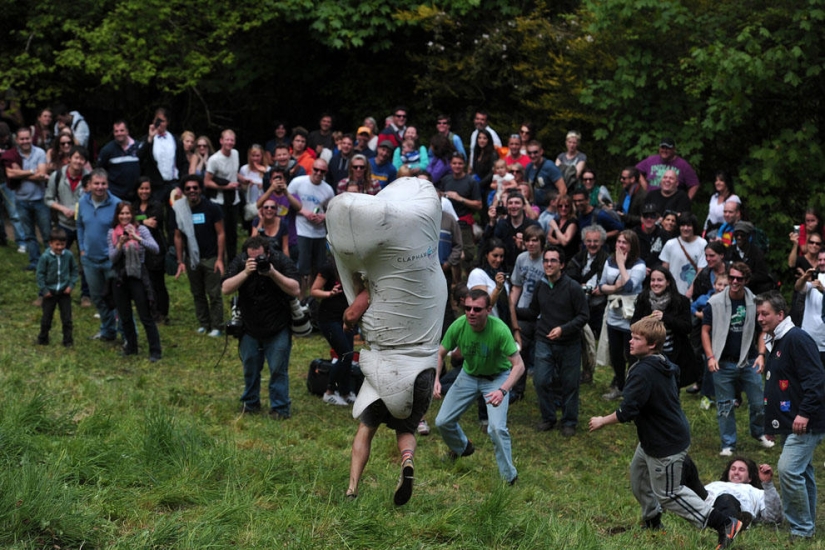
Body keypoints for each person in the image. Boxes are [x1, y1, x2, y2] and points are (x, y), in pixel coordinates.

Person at [326, 177, 447, 505]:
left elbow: (351, 316)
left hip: (386, 367)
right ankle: (407, 462)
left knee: (367, 428)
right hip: (422, 368)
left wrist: (352, 307)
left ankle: (352, 489)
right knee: (405, 426)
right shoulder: (431, 281)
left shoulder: (380, 283)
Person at [589, 317, 744, 547]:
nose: (630, 341)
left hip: (665, 443)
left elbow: (627, 411)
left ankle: (724, 523)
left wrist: (602, 420)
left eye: (636, 338)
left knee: (670, 494)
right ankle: (652, 520)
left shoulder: (643, 372)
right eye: (631, 336)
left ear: (651, 345)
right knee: (638, 476)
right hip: (654, 438)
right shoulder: (661, 360)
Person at [435, 289, 525, 485]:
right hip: (468, 375)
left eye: (477, 309)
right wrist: (435, 379)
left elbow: (519, 366)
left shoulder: (499, 330)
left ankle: (510, 477)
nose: (471, 313)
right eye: (467, 308)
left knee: (496, 429)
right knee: (442, 421)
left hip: (497, 378)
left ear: (489, 309)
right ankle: (462, 447)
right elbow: (440, 353)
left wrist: (503, 390)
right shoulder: (459, 326)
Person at [756, 290, 825, 540]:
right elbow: (778, 386)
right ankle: (806, 525)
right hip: (789, 422)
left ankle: (802, 529)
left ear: (780, 314)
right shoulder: (776, 340)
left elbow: (816, 379)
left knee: (788, 470)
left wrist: (805, 413)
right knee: (803, 472)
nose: (760, 318)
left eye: (765, 314)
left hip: (806, 421)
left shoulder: (797, 338)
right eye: (758, 314)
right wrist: (771, 423)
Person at [222, 235, 299, 418]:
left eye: (259, 257)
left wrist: (272, 272)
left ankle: (280, 408)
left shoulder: (280, 260)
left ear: (268, 253)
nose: (256, 261)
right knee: (250, 368)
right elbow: (225, 288)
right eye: (252, 258)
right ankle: (250, 404)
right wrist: (246, 272)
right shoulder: (241, 262)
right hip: (249, 326)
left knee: (278, 369)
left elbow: (296, 289)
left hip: (277, 325)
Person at [702, 262, 772, 456]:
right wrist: (710, 356)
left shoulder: (755, 303)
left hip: (749, 360)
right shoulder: (714, 303)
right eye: (731, 277)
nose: (734, 282)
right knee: (725, 406)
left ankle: (758, 433)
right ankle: (728, 444)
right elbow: (705, 331)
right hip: (722, 361)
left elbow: (762, 331)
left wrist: (760, 355)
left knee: (758, 403)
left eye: (739, 279)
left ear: (746, 281)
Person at [528, 246, 589, 435]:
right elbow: (533, 311)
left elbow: (583, 315)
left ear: (561, 264)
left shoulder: (573, 287)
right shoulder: (540, 286)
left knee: (570, 383)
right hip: (544, 340)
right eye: (546, 260)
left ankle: (569, 421)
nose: (548, 264)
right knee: (541, 380)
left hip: (569, 343)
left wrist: (564, 329)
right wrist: (509, 310)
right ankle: (548, 418)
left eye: (553, 261)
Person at [594, 230, 647, 400]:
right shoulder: (609, 262)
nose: (620, 245)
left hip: (630, 316)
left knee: (631, 354)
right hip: (613, 315)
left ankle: (632, 388)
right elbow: (601, 286)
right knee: (615, 353)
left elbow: (631, 286)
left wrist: (622, 264)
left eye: (625, 242)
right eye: (618, 242)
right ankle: (620, 384)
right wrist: (616, 288)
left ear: (632, 246)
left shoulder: (639, 265)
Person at [108, 202, 162, 361]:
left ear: (132, 215)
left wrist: (137, 239)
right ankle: (131, 347)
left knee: (145, 315)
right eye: (121, 214)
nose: (125, 217)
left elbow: (155, 248)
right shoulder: (112, 232)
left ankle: (155, 351)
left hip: (138, 275)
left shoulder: (142, 229)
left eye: (127, 213)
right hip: (120, 276)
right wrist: (120, 244)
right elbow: (112, 257)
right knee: (124, 315)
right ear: (117, 216)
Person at [173, 174, 225, 337]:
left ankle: (217, 325)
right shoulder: (179, 209)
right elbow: (178, 236)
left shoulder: (211, 207)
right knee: (197, 293)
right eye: (188, 188)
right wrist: (180, 261)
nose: (192, 191)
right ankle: (204, 323)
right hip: (192, 259)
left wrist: (219, 259)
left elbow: (221, 233)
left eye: (195, 187)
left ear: (200, 189)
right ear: (184, 191)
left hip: (210, 258)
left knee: (214, 293)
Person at [631, 266, 699, 388]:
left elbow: (687, 327)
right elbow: (633, 323)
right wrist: (646, 321)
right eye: (653, 280)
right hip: (648, 353)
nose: (655, 283)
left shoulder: (681, 301)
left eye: (659, 280)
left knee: (670, 388)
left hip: (673, 353)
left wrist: (665, 318)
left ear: (668, 282)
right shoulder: (643, 298)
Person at [77, 168, 122, 341]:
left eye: (103, 183)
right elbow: (80, 225)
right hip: (89, 259)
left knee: (119, 299)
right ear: (89, 185)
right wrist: (81, 248)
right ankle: (107, 330)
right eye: (96, 183)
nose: (100, 187)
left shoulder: (117, 204)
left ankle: (126, 333)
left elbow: (123, 228)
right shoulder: (82, 202)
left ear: (108, 184)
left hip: (111, 259)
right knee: (98, 297)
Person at [44, 145, 91, 306]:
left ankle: (86, 295)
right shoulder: (56, 176)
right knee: (54, 256)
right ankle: (46, 290)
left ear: (85, 162)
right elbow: (48, 199)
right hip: (64, 224)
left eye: (82, 159)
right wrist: (62, 208)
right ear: (69, 158)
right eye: (76, 157)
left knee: (85, 259)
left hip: (83, 225)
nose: (78, 161)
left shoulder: (89, 178)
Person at [681, 455, 783, 527]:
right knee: (686, 461)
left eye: (741, 470)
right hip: (705, 502)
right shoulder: (716, 484)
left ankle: (733, 522)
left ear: (750, 478)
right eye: (733, 469)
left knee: (726, 498)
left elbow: (773, 518)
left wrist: (768, 484)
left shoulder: (757, 492)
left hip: (729, 506)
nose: (736, 472)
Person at [2, 126, 50, 271]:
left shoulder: (40, 152)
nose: (25, 141)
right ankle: (35, 262)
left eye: (27, 138)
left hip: (40, 199)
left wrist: (19, 173)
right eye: (22, 139)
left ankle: (50, 261)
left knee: (46, 234)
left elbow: (42, 174)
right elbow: (10, 175)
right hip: (21, 200)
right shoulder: (12, 155)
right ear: (17, 140)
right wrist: (31, 171)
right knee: (29, 235)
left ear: (31, 138)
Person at [310, 260, 357, 406]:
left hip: (346, 318)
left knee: (349, 355)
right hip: (328, 318)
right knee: (344, 353)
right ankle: (329, 392)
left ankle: (345, 391)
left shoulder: (354, 265)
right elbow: (314, 290)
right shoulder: (328, 267)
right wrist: (329, 293)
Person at [287, 158, 335, 295]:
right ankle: (301, 296)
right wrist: (303, 212)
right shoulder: (298, 182)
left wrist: (323, 217)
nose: (319, 173)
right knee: (302, 267)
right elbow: (287, 200)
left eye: (322, 171)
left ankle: (313, 297)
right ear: (311, 169)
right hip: (301, 228)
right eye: (316, 169)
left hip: (319, 232)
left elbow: (332, 210)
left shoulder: (328, 189)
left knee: (318, 267)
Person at [133, 177, 169, 324]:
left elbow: (154, 223)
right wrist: (143, 221)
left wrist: (138, 221)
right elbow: (128, 221)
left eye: (147, 188)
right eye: (141, 188)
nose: (144, 191)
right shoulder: (133, 205)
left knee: (157, 283)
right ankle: (149, 311)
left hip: (155, 250)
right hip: (139, 250)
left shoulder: (157, 205)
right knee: (144, 283)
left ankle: (162, 312)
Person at [440, 152, 482, 276]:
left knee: (467, 254)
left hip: (464, 222)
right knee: (449, 253)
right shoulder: (446, 179)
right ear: (450, 164)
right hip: (446, 223)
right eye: (454, 163)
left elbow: (479, 205)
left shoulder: (471, 181)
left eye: (460, 163)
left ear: (464, 164)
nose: (457, 166)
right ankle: (453, 281)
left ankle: (468, 278)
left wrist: (460, 198)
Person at [36, 228, 78, 347]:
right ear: (50, 243)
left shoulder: (68, 255)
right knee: (46, 318)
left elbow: (74, 271)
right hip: (50, 292)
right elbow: (40, 274)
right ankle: (43, 338)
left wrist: (70, 285)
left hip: (64, 292)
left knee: (67, 319)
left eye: (62, 244)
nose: (60, 247)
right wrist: (44, 290)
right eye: (57, 244)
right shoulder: (45, 257)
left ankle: (68, 341)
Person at [138, 107, 189, 204]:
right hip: (155, 186)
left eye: (162, 121)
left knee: (175, 213)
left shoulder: (175, 140)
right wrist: (150, 139)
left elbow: (183, 163)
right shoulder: (147, 139)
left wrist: (182, 184)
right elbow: (139, 157)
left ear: (167, 122)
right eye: (157, 120)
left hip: (174, 184)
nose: (159, 124)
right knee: (156, 214)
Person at [204, 129, 241, 262]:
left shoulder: (236, 154)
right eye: (227, 139)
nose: (230, 142)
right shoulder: (214, 159)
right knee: (221, 233)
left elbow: (234, 173)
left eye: (232, 140)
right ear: (221, 141)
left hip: (234, 200)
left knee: (233, 233)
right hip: (219, 200)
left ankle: (232, 262)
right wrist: (225, 187)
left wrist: (243, 179)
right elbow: (207, 182)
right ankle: (218, 260)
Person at [483, 191, 540, 270]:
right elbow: (487, 242)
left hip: (529, 268)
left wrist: (524, 247)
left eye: (517, 203)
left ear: (524, 206)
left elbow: (541, 249)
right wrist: (492, 221)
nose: (513, 206)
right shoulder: (502, 224)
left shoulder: (533, 225)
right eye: (510, 203)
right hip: (505, 267)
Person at [635, 137, 700, 200]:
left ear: (674, 149)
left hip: (673, 202)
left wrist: (686, 201)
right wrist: (644, 183)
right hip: (651, 200)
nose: (665, 150)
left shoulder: (683, 165)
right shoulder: (651, 160)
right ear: (659, 148)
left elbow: (694, 184)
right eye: (662, 147)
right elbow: (635, 170)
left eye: (668, 148)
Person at [659, 213, 707, 296]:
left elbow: (701, 270)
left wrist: (691, 290)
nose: (685, 228)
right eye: (682, 225)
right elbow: (664, 269)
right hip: (672, 291)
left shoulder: (702, 244)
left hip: (693, 292)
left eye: (689, 226)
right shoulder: (670, 244)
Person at [97, 120, 142, 201]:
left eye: (121, 130)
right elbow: (100, 170)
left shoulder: (138, 147)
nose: (119, 133)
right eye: (116, 131)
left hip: (136, 194)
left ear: (127, 131)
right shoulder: (107, 150)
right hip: (115, 195)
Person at [794, 250, 825, 365]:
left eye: (824, 260)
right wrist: (805, 276)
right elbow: (798, 287)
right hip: (809, 339)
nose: (822, 263)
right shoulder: (812, 280)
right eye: (820, 260)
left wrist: (823, 290)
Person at [525, 140, 566, 207]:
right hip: (535, 206)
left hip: (550, 206)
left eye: (535, 152)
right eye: (530, 153)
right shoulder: (528, 167)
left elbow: (563, 189)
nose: (532, 155)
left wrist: (556, 205)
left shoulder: (549, 166)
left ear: (541, 151)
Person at [634, 204, 671, 269]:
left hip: (657, 272)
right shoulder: (634, 234)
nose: (649, 219)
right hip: (636, 270)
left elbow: (667, 258)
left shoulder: (664, 235)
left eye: (652, 216)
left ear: (657, 218)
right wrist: (640, 269)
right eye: (646, 216)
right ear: (641, 218)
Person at [545, 194, 579, 262]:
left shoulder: (573, 221)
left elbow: (565, 242)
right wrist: (560, 239)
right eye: (560, 206)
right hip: (556, 258)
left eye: (566, 206)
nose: (563, 208)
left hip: (569, 258)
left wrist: (555, 227)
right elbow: (549, 238)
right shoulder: (556, 220)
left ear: (570, 207)